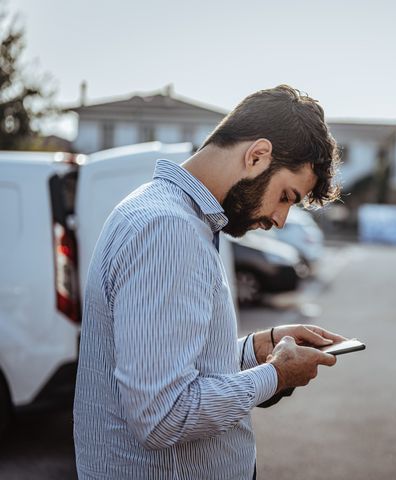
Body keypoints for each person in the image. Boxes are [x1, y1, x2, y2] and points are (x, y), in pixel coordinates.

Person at [73, 85, 345, 479]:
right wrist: (276, 374)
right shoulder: (169, 231)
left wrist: (255, 349)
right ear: (257, 156)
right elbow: (162, 415)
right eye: (286, 196)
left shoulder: (169, 213)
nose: (281, 219)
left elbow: (171, 365)